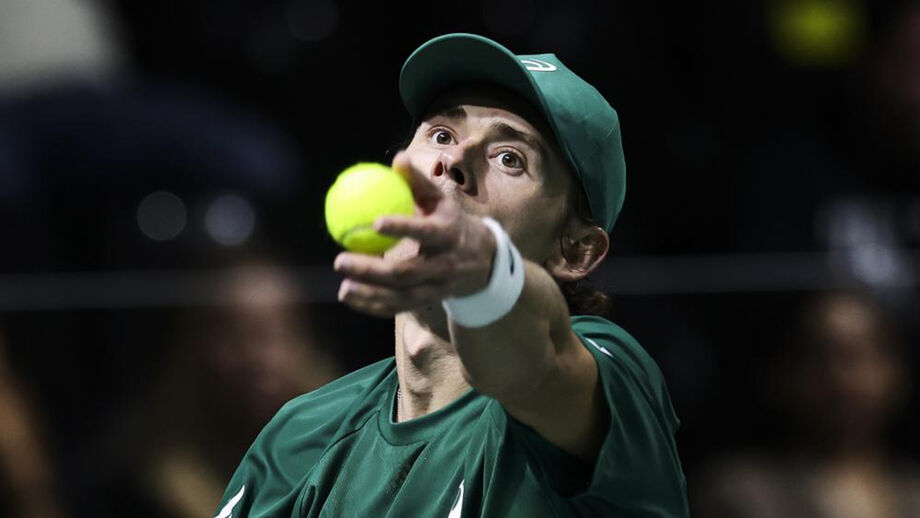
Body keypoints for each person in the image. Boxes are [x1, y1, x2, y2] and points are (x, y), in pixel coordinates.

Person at [213, 33, 689, 517]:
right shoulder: (301, 436)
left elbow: (543, 365)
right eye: (442, 134)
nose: (456, 160)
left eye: (510, 159)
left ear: (577, 250)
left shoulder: (612, 372)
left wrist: (487, 278)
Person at [694, 291, 920, 518]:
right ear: (781, 374)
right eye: (819, 359)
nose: (841, 380)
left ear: (897, 372)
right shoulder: (739, 492)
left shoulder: (913, 492)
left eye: (857, 357)